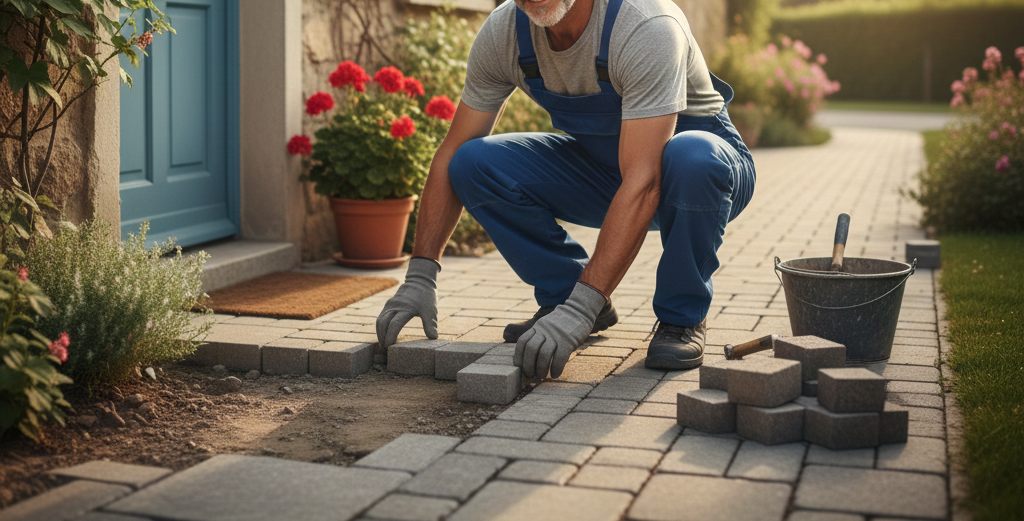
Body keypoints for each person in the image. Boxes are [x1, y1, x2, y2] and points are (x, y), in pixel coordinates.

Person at [376, 0, 755, 379]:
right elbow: (451, 150)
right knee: (472, 161)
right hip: (608, 172)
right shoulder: (505, 32)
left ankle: (681, 317)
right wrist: (420, 275)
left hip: (700, 175)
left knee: (693, 156)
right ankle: (563, 295)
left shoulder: (645, 24)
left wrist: (583, 307)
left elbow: (644, 182)